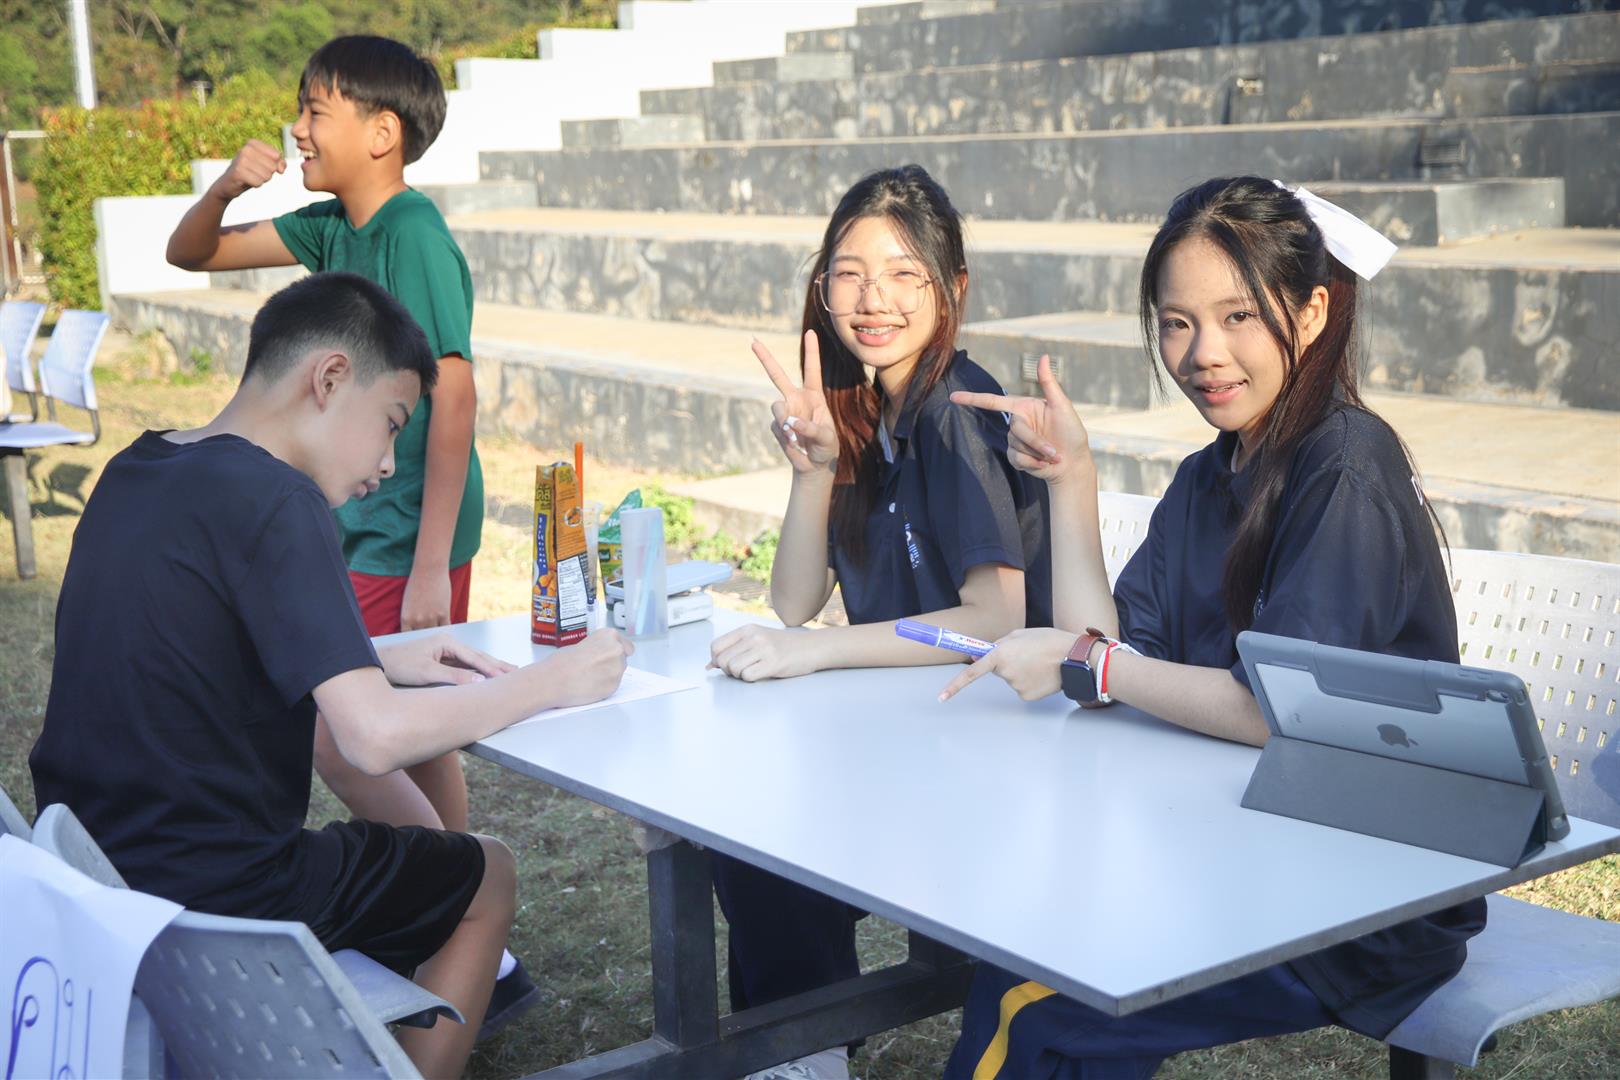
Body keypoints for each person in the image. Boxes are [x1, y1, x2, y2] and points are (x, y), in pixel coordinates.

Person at [936, 176, 1484, 1078]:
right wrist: (1073, 480)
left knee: (1037, 995)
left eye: (1239, 317)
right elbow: (1111, 653)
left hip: (1358, 902)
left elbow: (1276, 712)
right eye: (1177, 323)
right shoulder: (1208, 476)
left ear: (1312, 312)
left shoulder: (1346, 467)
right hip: (1232, 842)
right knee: (1037, 947)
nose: (1204, 354)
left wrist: (1094, 666)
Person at [29, 273, 632, 1079]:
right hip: (221, 897)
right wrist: (554, 680)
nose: (387, 464)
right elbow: (372, 736)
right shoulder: (279, 498)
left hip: (96, 867)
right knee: (488, 873)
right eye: (391, 424)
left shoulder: (137, 468)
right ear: (330, 378)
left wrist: (370, 657)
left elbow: (193, 642)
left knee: (423, 855)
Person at [162, 35, 538, 1029]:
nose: (297, 128)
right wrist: (222, 189)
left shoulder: (413, 231)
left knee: (342, 734)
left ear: (382, 133)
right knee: (389, 722)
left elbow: (453, 396)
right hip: (348, 519)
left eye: (315, 110)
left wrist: (430, 562)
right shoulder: (329, 227)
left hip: (407, 532)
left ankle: (463, 912)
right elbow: (191, 253)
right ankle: (467, 920)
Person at [707, 165, 1052, 1080]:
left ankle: (807, 1046)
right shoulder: (871, 411)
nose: (874, 299)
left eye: (904, 274)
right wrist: (815, 470)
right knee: (746, 826)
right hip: (909, 727)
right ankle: (808, 1045)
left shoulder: (955, 413)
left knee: (765, 827)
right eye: (851, 274)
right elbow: (792, 600)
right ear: (822, 289)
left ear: (952, 288)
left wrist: (817, 652)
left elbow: (993, 619)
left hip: (997, 746)